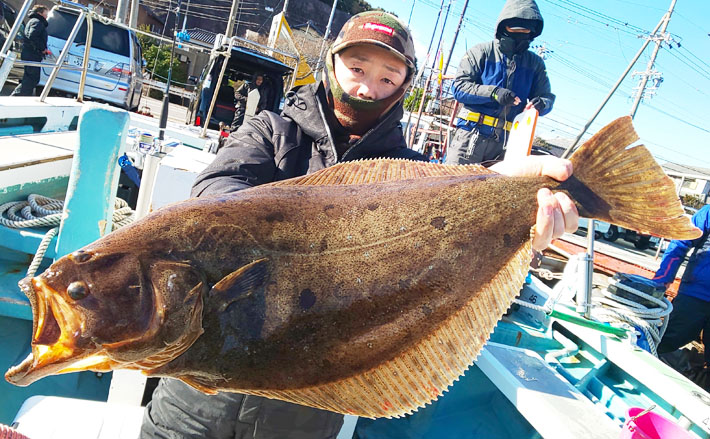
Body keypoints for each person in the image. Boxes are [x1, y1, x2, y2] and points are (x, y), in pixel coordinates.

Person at [140, 10, 578, 439]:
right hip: (193, 400)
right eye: (357, 68)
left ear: (404, 87)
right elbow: (215, 193)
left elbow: (451, 252)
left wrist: (519, 224)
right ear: (331, 64)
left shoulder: (413, 175)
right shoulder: (270, 132)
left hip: (307, 408)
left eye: (388, 77)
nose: (368, 88)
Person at [445, 0, 554, 165]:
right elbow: (459, 88)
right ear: (503, 26)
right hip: (469, 136)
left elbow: (546, 97)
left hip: (506, 146)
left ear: (533, 32)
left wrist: (542, 104)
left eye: (526, 29)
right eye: (515, 27)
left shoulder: (536, 63)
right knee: (451, 186)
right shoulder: (481, 52)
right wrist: (494, 93)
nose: (521, 33)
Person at [655, 204, 710, 368]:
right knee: (667, 340)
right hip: (696, 295)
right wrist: (664, 276)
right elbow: (681, 241)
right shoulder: (708, 212)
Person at [11, 5, 50, 97]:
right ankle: (18, 96)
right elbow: (32, 35)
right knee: (32, 78)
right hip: (32, 54)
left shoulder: (35, 21)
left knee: (31, 78)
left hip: (31, 53)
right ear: (40, 13)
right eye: (45, 13)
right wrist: (42, 48)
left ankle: (19, 95)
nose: (47, 16)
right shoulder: (37, 22)